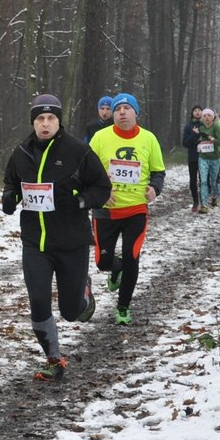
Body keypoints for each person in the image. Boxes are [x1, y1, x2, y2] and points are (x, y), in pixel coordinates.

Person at [1, 94, 111, 381]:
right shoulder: (21, 152)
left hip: (72, 242)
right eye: (40, 118)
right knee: (38, 301)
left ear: (59, 122)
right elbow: (11, 183)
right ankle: (54, 358)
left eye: (51, 118)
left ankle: (83, 293)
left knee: (71, 312)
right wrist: (9, 197)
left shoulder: (77, 151)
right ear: (33, 122)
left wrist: (81, 201)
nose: (45, 124)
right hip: (35, 243)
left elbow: (102, 187)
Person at [87, 92, 165, 325]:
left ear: (136, 113)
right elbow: (86, 171)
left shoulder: (148, 139)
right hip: (106, 211)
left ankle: (123, 307)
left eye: (127, 108)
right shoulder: (100, 138)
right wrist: (100, 192)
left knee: (132, 257)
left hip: (136, 210)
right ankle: (116, 267)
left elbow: (158, 172)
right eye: (117, 109)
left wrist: (155, 188)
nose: (121, 112)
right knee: (102, 262)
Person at [196, 108, 220, 212]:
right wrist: (198, 140)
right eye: (204, 116)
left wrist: (212, 139)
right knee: (203, 181)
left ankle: (214, 196)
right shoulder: (201, 128)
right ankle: (204, 205)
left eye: (209, 115)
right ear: (202, 118)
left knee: (213, 181)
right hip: (203, 158)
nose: (207, 117)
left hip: (214, 158)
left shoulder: (216, 127)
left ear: (213, 117)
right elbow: (196, 140)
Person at [180, 105, 204, 212]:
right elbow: (185, 143)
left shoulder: (205, 125)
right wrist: (194, 134)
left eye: (199, 110)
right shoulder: (188, 126)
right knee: (193, 181)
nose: (197, 112)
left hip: (204, 157)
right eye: (195, 110)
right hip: (193, 157)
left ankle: (204, 201)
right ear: (192, 113)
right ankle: (195, 202)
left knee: (204, 180)